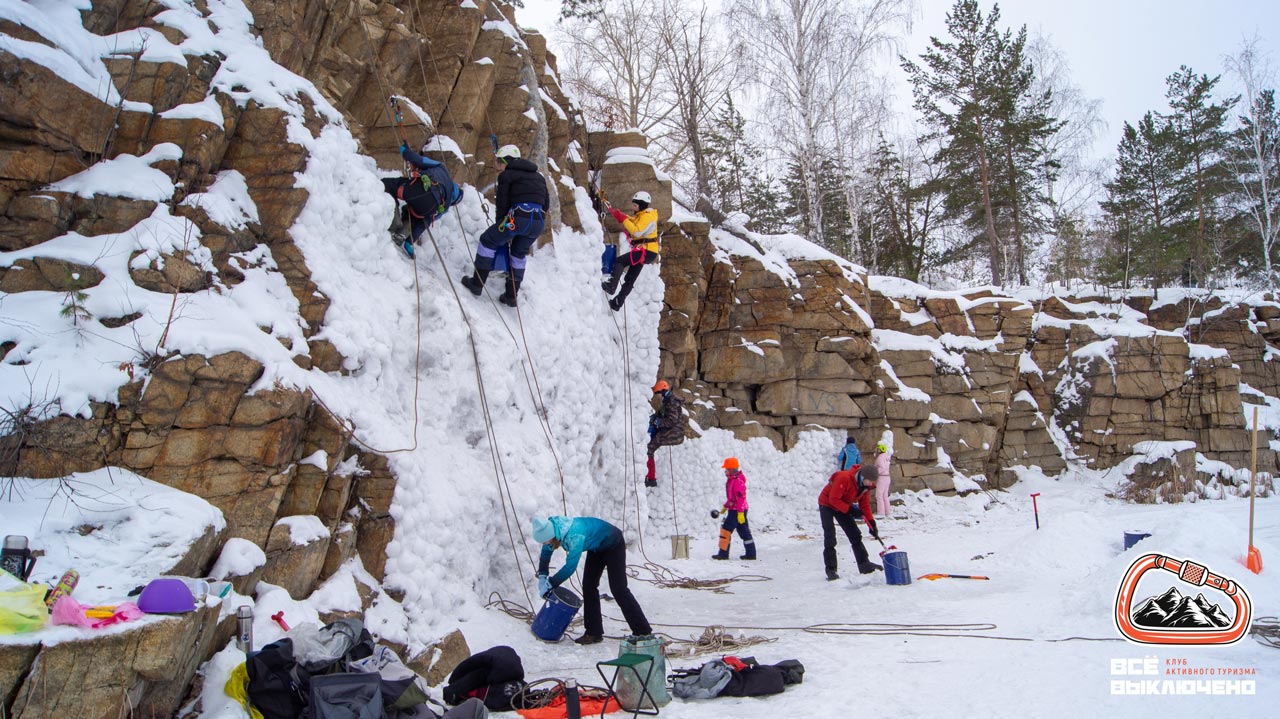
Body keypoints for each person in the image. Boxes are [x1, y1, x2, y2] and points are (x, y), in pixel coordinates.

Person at [532, 516, 653, 645]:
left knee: (619, 589)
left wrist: (551, 584)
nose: (545, 544)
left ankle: (642, 631)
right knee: (589, 586)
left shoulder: (574, 535)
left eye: (545, 542)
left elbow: (570, 567)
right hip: (597, 547)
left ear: (551, 536)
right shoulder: (551, 532)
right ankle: (593, 632)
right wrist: (543, 576)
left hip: (613, 543)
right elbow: (546, 553)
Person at [460, 145, 548, 307]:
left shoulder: (506, 176)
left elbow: (502, 203)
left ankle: (477, 284)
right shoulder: (539, 177)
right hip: (537, 222)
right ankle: (511, 297)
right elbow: (546, 203)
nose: (498, 165)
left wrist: (501, 225)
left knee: (487, 240)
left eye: (500, 161)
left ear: (507, 160)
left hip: (518, 217)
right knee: (518, 254)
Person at [383, 142, 464, 259]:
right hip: (426, 208)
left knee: (387, 185)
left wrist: (406, 152)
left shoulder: (442, 169)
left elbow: (421, 161)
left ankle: (395, 221)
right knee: (416, 216)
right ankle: (403, 233)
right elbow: (424, 223)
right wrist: (410, 242)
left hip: (417, 189)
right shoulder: (445, 206)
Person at [818, 464, 881, 580]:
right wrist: (850, 510)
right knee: (830, 536)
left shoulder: (865, 486)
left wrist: (871, 523)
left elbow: (865, 504)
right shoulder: (844, 477)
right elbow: (833, 499)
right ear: (863, 476)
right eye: (870, 481)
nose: (871, 484)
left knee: (855, 534)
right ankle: (831, 569)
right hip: (827, 504)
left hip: (843, 504)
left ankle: (864, 564)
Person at [601, 191, 659, 311]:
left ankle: (612, 286)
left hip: (646, 250)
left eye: (635, 205)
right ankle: (617, 303)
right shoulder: (642, 215)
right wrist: (619, 215)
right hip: (647, 251)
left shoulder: (648, 216)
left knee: (620, 262)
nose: (633, 207)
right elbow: (632, 220)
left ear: (642, 205)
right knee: (630, 278)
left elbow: (636, 231)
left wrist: (624, 219)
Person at [712, 457, 756, 560]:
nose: (725, 471)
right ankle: (751, 553)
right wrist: (724, 507)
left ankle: (723, 554)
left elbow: (741, 498)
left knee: (726, 530)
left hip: (737, 511)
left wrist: (740, 513)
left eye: (726, 469)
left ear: (732, 470)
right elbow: (732, 498)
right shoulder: (732, 480)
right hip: (737, 509)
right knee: (744, 531)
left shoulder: (737, 482)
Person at [644, 380, 685, 487]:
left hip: (674, 433)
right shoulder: (668, 401)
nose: (656, 396)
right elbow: (663, 414)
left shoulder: (671, 402)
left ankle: (650, 479)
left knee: (649, 448)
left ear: (662, 392)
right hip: (671, 430)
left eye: (657, 393)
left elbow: (671, 420)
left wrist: (659, 422)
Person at [874, 440, 893, 518]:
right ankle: (888, 512)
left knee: (879, 495)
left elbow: (882, 467)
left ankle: (881, 512)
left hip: (882, 477)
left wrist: (876, 472)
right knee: (885, 495)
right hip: (887, 477)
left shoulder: (880, 458)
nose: (877, 450)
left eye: (878, 449)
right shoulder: (887, 457)